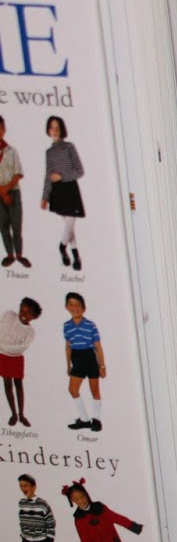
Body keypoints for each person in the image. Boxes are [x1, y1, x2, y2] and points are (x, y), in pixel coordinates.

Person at [39, 115, 85, 270]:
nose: (55, 130)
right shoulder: (49, 152)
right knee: (68, 226)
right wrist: (45, 197)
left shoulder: (69, 147)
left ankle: (61, 247)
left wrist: (62, 176)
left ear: (62, 129)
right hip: (57, 192)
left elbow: (80, 171)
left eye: (57, 127)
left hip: (70, 189)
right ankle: (76, 256)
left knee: (70, 223)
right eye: (52, 127)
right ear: (48, 130)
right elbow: (48, 176)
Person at [62, 292, 105, 432]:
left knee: (94, 390)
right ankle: (85, 420)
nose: (74, 307)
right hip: (77, 358)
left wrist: (102, 366)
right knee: (72, 390)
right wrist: (68, 365)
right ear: (66, 306)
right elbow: (68, 347)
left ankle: (96, 420)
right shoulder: (67, 326)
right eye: (71, 304)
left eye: (78, 305)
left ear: (83, 308)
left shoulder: (90, 325)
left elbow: (98, 347)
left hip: (90, 357)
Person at [1, 296, 39, 426]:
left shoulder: (30, 332)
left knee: (19, 385)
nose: (23, 314)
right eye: (22, 310)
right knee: (7, 385)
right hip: (2, 357)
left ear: (34, 317)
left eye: (28, 312)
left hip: (16, 358)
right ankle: (14, 414)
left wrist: (2, 345)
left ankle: (22, 415)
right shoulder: (9, 315)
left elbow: (20, 348)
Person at [0, 116, 26, 268]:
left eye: (0, 128)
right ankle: (9, 255)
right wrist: (2, 193)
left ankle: (19, 254)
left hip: (13, 191)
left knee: (16, 225)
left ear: (4, 129)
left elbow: (18, 173)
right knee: (3, 225)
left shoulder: (12, 151)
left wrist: (7, 189)